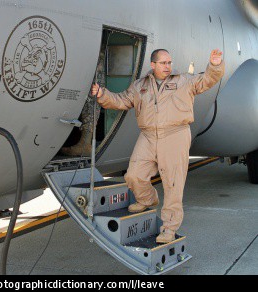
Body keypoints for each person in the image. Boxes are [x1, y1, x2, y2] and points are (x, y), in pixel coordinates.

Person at [91, 49, 225, 244]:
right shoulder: (140, 86)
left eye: (169, 62)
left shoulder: (184, 81)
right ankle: (147, 199)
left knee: (172, 184)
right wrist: (102, 94)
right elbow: (121, 101)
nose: (167, 66)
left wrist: (214, 65)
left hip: (175, 134)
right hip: (148, 135)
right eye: (163, 63)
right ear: (152, 65)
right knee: (134, 175)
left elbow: (207, 80)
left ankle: (169, 228)